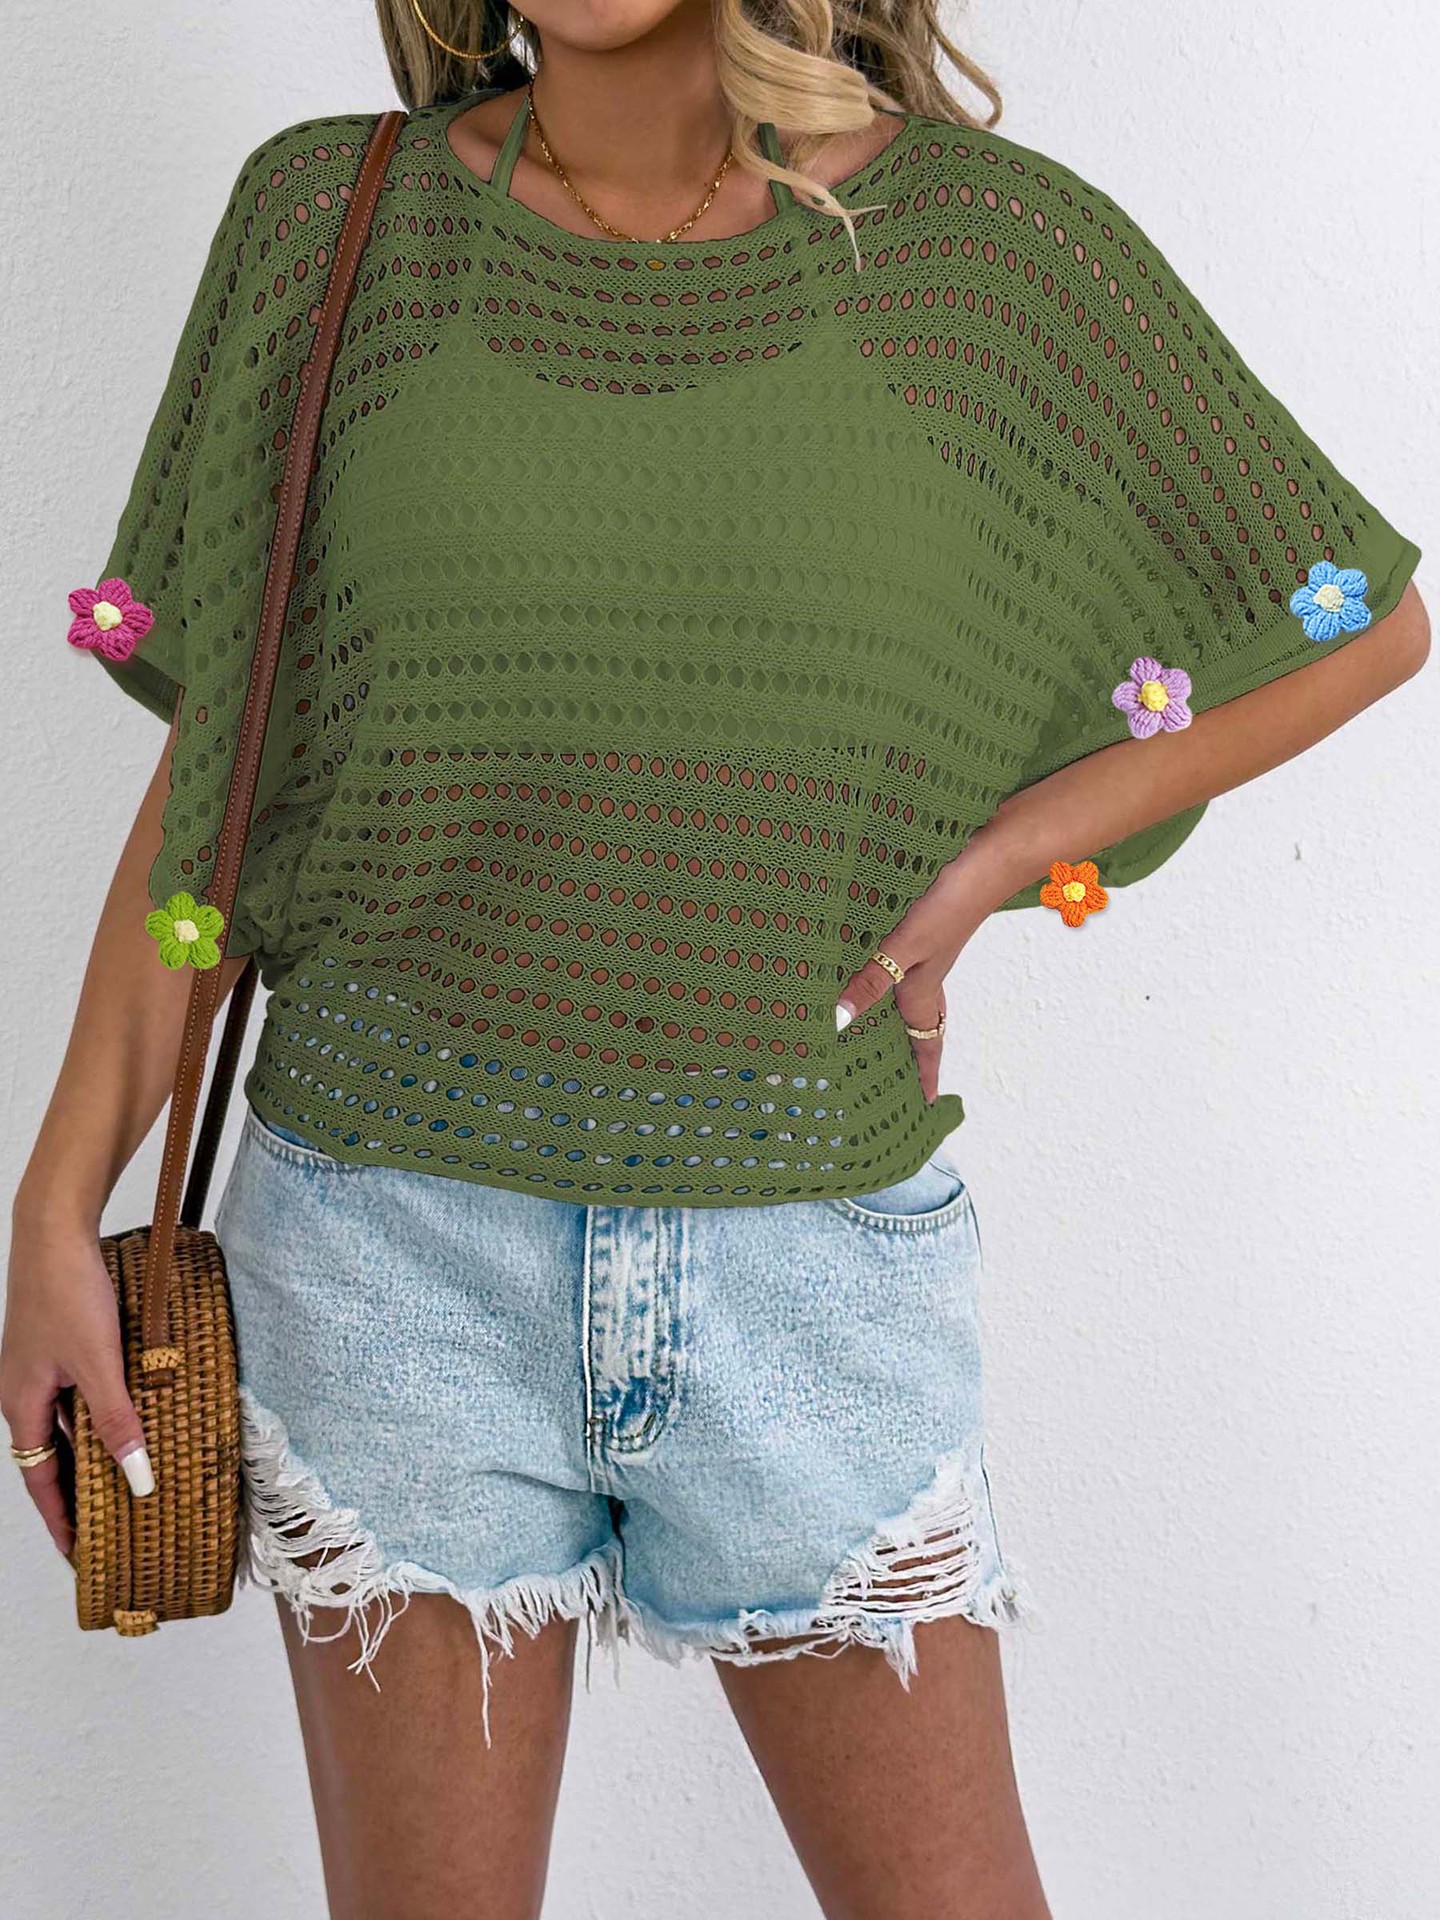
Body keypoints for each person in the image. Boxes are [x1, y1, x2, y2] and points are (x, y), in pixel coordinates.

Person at [4, 3, 1428, 1916]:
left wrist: (1010, 853)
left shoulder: (989, 256)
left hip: (806, 1258)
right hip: (386, 1243)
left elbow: (1357, 619)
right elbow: (216, 794)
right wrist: (53, 1208)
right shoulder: (330, 223)